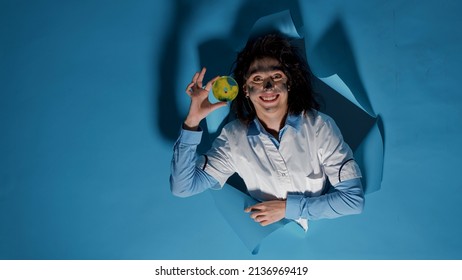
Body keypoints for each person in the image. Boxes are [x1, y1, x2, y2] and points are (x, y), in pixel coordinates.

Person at [170, 33, 364, 230]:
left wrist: (287, 209)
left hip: (324, 230)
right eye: (257, 78)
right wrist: (192, 121)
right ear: (245, 89)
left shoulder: (320, 126)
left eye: (276, 76)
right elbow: (183, 187)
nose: (268, 86)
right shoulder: (232, 138)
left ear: (288, 83)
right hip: (266, 235)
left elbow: (353, 200)